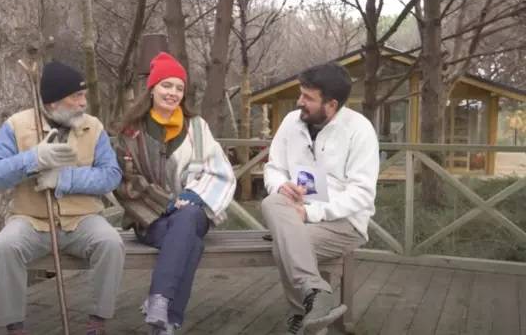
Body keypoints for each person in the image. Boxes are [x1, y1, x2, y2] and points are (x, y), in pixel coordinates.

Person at [0, 61, 124, 335]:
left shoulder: (93, 127)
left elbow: (111, 175)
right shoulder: (17, 125)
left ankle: (98, 322)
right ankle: (15, 327)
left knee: (111, 243)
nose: (84, 103)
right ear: (53, 102)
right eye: (76, 97)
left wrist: (64, 179)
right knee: (5, 246)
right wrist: (32, 159)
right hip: (31, 220)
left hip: (83, 220)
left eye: (83, 95)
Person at [114, 52, 236, 335]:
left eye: (179, 88)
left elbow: (220, 171)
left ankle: (158, 298)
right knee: (190, 242)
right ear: (152, 88)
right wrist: (166, 203)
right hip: (149, 219)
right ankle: (168, 320)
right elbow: (125, 183)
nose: (173, 93)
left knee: (189, 215)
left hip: (193, 211)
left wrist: (193, 196)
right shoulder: (132, 132)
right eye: (167, 85)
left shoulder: (197, 127)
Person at [261, 63, 379, 335]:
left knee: (287, 245)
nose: (300, 101)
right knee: (270, 202)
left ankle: (302, 319)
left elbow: (362, 193)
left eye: (308, 98)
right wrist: (281, 186)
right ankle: (317, 298)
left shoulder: (359, 130)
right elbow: (273, 167)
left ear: (332, 104)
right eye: (301, 94)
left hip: (343, 224)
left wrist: (311, 214)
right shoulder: (292, 122)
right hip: (293, 214)